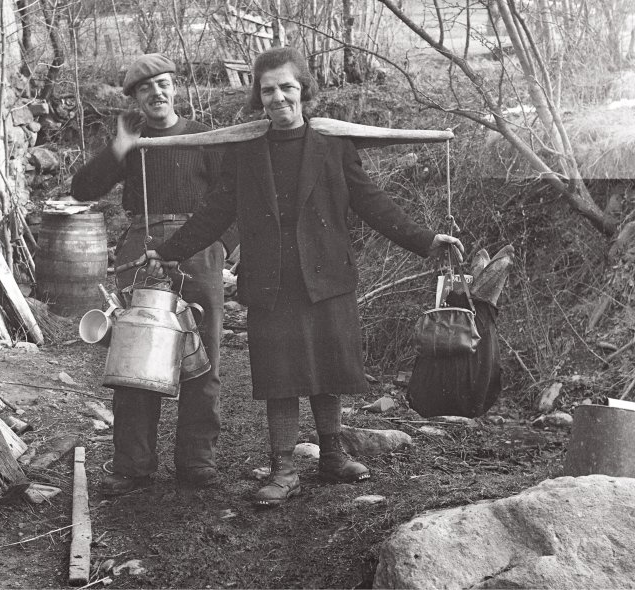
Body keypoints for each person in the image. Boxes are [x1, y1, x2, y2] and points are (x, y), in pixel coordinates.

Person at [141, 47, 463, 508]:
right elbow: (214, 213)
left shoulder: (333, 146)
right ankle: (284, 468)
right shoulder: (247, 151)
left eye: (287, 87)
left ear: (303, 90)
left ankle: (331, 454)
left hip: (328, 278)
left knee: (328, 370)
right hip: (272, 283)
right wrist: (170, 252)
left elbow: (373, 204)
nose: (278, 98)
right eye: (268, 89)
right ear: (258, 95)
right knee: (282, 376)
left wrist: (426, 240)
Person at [70, 53, 236, 494]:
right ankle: (133, 464)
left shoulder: (205, 137)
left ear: (174, 87)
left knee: (204, 356)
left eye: (162, 84)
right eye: (145, 88)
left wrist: (229, 250)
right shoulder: (133, 142)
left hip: (200, 248)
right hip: (141, 251)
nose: (155, 93)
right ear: (136, 98)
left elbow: (230, 196)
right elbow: (82, 190)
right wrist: (118, 149)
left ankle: (197, 460)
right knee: (135, 355)